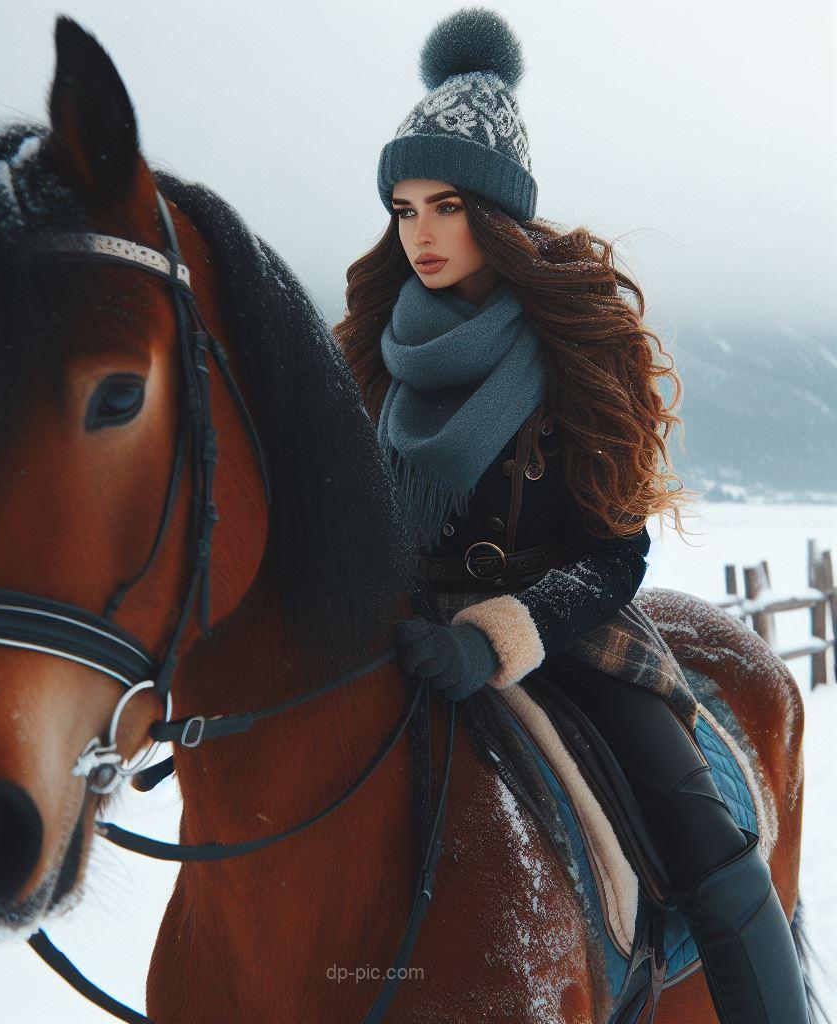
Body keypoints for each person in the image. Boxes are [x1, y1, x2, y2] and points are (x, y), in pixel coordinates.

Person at [333, 9, 810, 1023]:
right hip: (406, 637)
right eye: (403, 205)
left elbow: (615, 549)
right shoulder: (370, 352)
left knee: (706, 840)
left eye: (446, 204)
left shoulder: (581, 346)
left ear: (496, 212)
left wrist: (497, 635)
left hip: (569, 633)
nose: (419, 230)